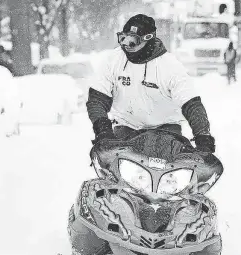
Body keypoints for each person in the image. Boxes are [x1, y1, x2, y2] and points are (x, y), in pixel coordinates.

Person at [86, 14, 215, 153]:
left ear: (148, 39)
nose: (126, 45)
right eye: (122, 38)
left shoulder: (170, 66)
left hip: (167, 134)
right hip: (126, 130)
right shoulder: (112, 60)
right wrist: (103, 130)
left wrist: (203, 137)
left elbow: (192, 105)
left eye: (132, 41)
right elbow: (97, 100)